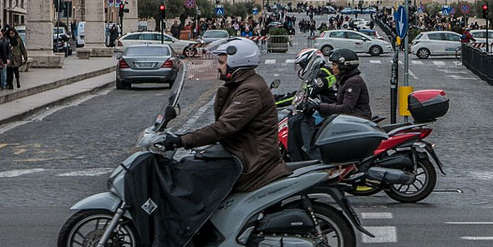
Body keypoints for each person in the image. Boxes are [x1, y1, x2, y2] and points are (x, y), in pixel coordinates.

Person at [159, 38, 292, 192]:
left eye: (221, 62)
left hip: (251, 161)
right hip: (242, 152)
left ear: (236, 62)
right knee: (192, 164)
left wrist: (181, 140)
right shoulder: (243, 84)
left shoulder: (250, 90)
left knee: (190, 176)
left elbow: (224, 127)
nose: (218, 66)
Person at [310, 48, 371, 120]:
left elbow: (346, 108)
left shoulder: (353, 82)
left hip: (357, 119)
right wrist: (319, 105)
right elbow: (339, 104)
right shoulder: (345, 80)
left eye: (334, 65)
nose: (332, 68)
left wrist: (319, 107)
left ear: (344, 66)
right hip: (351, 118)